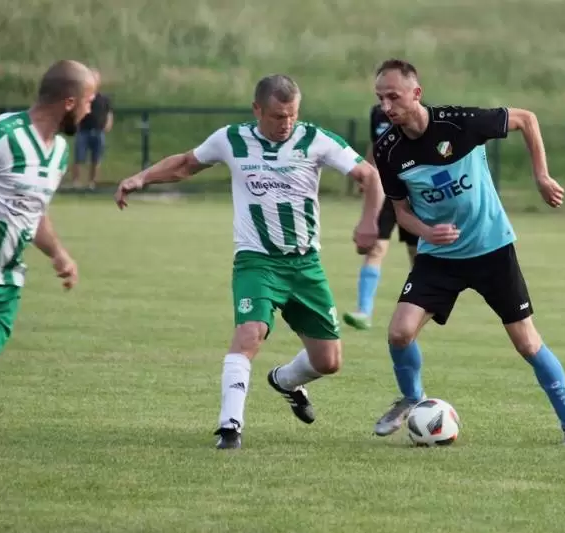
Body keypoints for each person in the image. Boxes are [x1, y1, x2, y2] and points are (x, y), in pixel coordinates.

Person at [114, 74, 383, 450]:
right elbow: (186, 164)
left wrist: (369, 222)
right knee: (249, 334)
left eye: (292, 115)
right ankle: (230, 427)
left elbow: (369, 176)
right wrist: (141, 178)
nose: (286, 123)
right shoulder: (232, 139)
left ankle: (285, 381)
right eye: (278, 116)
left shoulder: (315, 139)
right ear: (257, 110)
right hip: (256, 261)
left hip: (305, 264)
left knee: (328, 361)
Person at [369, 59, 565, 448]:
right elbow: (402, 212)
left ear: (416, 93)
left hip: (491, 249)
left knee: (527, 343)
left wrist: (541, 176)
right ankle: (411, 397)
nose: (386, 106)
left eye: (394, 97)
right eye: (380, 98)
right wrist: (427, 232)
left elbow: (527, 119)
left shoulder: (459, 123)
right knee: (399, 333)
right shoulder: (388, 150)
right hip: (439, 256)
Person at [0, 60, 93, 386]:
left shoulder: (59, 152)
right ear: (69, 102)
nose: (89, 111)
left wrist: (58, 253)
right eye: (87, 102)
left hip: (6, 282)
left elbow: (33, 211)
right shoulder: (2, 134)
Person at [343, 104, 419, 331]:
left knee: (417, 255)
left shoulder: (420, 112)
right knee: (375, 248)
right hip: (385, 191)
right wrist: (366, 173)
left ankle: (423, 307)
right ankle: (364, 312)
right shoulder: (377, 113)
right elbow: (375, 145)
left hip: (414, 193)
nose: (386, 100)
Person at [71, 69, 113, 189]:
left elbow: (109, 112)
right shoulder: (82, 97)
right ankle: (76, 182)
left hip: (99, 131)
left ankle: (92, 183)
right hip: (83, 131)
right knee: (79, 158)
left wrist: (108, 123)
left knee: (96, 159)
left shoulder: (104, 98)